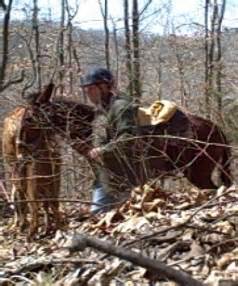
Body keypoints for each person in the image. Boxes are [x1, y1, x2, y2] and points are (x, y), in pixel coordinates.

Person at [80, 67, 138, 214]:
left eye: (92, 88)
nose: (88, 93)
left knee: (100, 215)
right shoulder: (102, 110)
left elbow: (130, 138)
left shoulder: (121, 107)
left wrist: (102, 151)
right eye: (86, 89)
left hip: (123, 174)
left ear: (105, 87)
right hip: (106, 174)